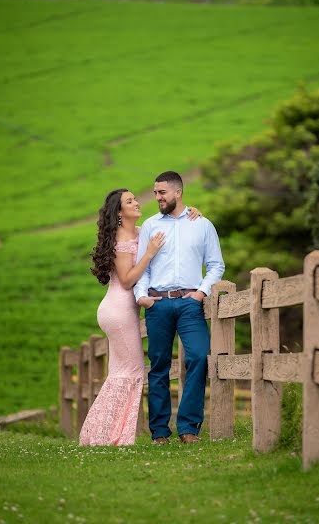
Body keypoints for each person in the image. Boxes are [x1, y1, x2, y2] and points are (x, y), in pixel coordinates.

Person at [79, 188, 201, 446]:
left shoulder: (140, 230)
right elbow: (125, 281)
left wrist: (192, 212)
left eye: (135, 198)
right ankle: (111, 435)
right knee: (132, 371)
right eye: (130, 201)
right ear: (119, 213)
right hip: (119, 310)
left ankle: (103, 433)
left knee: (121, 372)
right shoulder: (122, 239)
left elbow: (170, 220)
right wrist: (149, 253)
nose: (137, 202)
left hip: (119, 310)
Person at [134, 171, 225, 444]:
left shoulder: (203, 225)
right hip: (158, 303)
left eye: (162, 192)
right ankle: (159, 432)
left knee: (198, 356)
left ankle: (188, 428)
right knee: (159, 366)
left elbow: (216, 264)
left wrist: (201, 292)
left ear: (178, 192)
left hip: (189, 304)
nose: (157, 197)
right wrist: (143, 297)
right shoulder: (150, 226)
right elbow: (143, 267)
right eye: (155, 193)